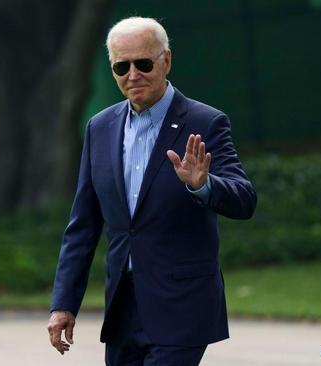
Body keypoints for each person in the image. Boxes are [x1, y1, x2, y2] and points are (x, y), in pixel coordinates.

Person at [47, 16, 257, 366]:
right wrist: (63, 304)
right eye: (121, 66)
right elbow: (83, 227)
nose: (133, 75)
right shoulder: (99, 128)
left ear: (166, 61)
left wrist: (203, 185)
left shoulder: (205, 122)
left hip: (183, 305)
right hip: (122, 310)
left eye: (143, 63)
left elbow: (244, 199)